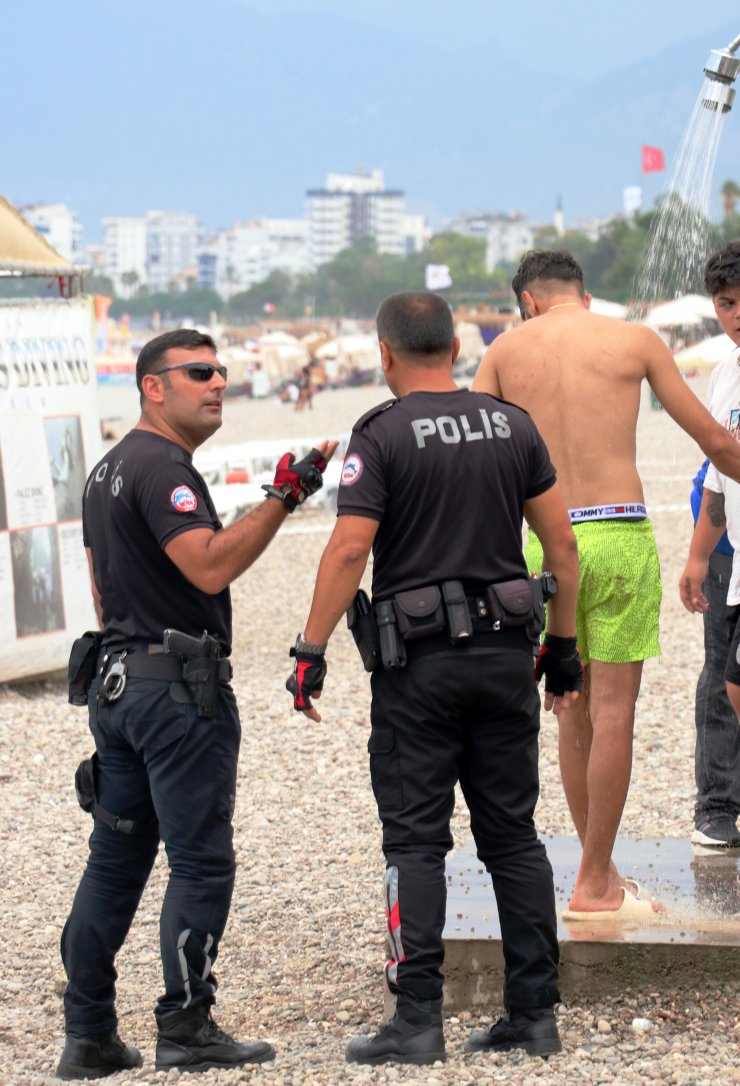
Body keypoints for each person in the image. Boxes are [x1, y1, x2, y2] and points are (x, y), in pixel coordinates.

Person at [285, 291, 582, 1065]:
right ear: (455, 347)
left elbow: (351, 549)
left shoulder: (379, 433)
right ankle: (533, 1014)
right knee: (512, 836)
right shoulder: (512, 424)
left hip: (419, 668)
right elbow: (561, 547)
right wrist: (566, 648)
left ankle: (416, 1018)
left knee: (415, 842)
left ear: (385, 354)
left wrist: (309, 652)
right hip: (507, 657)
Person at [57, 329, 337, 1080]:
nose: (218, 383)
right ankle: (186, 1026)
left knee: (114, 865)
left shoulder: (106, 471)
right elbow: (208, 567)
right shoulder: (161, 468)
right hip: (176, 691)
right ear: (154, 386)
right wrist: (284, 497)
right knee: (201, 863)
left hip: (117, 683)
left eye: (221, 371)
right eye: (200, 372)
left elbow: (101, 586)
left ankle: (87, 1035)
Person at [473, 249, 740, 918]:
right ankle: (596, 878)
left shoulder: (505, 353)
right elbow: (716, 441)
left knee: (570, 707)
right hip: (619, 533)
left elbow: (473, 462)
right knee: (614, 710)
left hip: (545, 542)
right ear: (584, 296)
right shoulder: (635, 340)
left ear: (528, 301)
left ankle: (600, 874)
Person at [679, 241, 740, 850]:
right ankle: (718, 805)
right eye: (726, 303)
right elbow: (717, 473)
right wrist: (699, 554)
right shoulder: (725, 372)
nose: (738, 313)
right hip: (727, 550)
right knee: (721, 676)